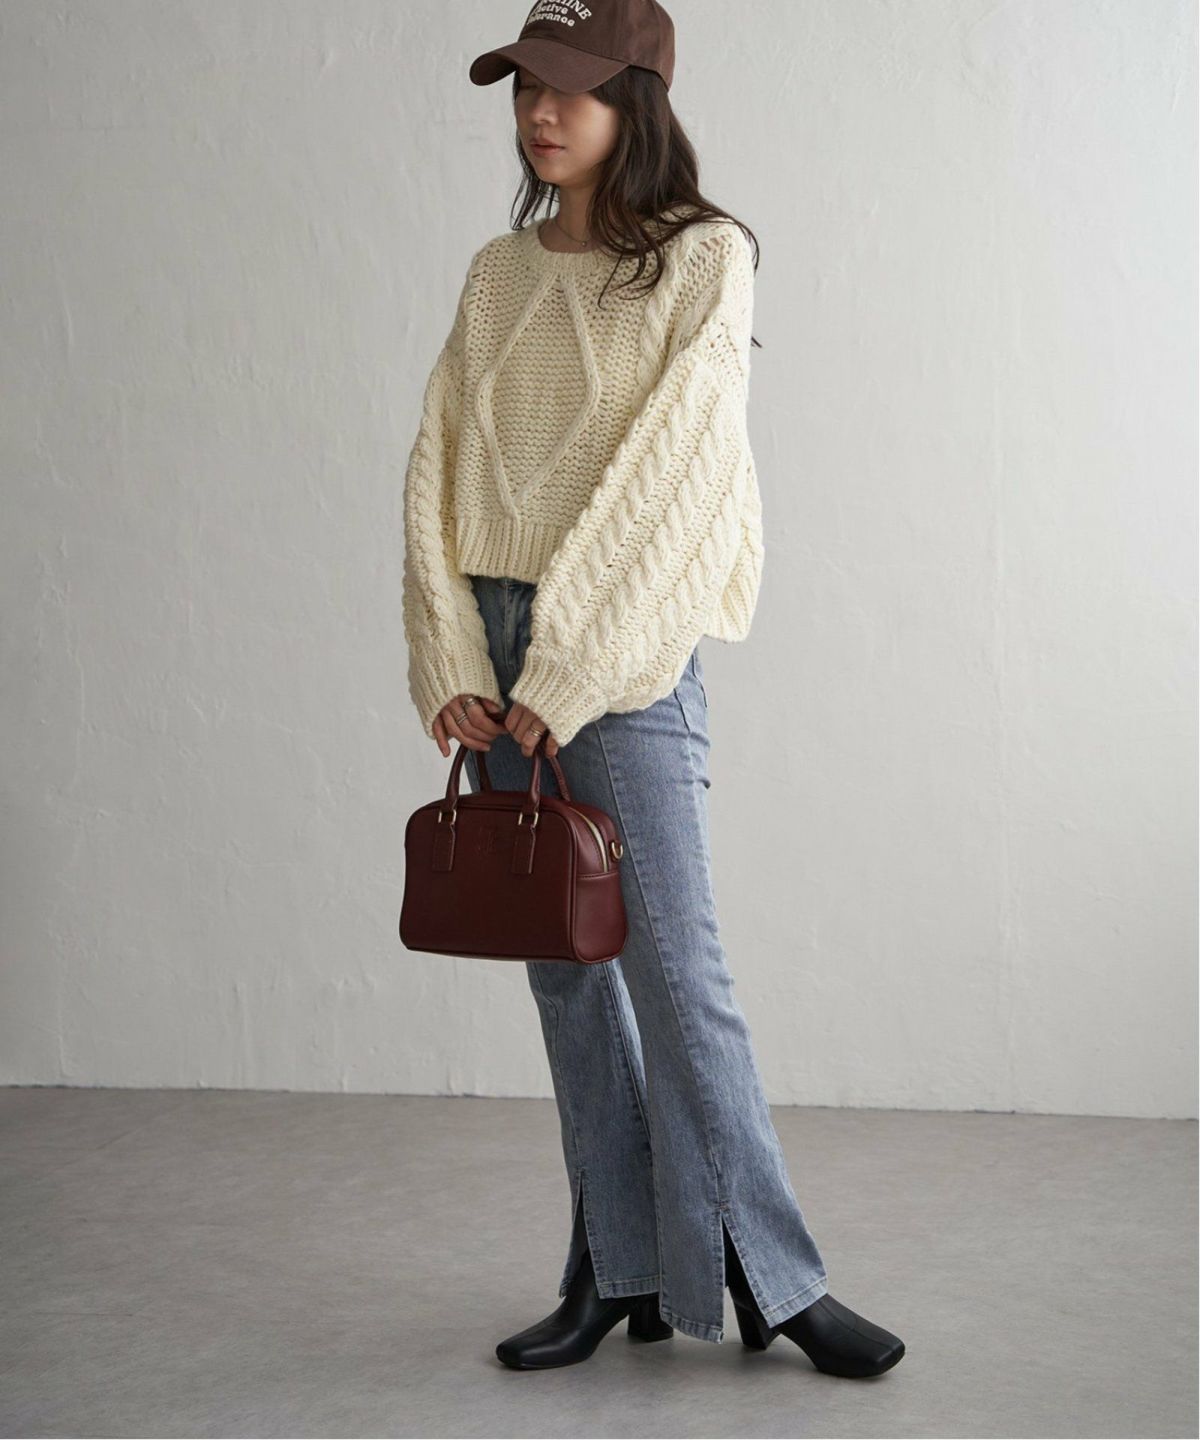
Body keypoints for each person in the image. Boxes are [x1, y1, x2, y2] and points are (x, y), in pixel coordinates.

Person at [401, 0, 906, 1378]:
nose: (538, 113)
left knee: (678, 975)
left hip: (622, 648)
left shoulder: (704, 259)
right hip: (496, 652)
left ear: (637, 100)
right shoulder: (497, 275)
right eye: (523, 88)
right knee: (567, 980)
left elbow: (677, 475)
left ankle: (777, 1279)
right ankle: (614, 1267)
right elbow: (435, 461)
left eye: (567, 89)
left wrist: (566, 664)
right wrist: (452, 655)